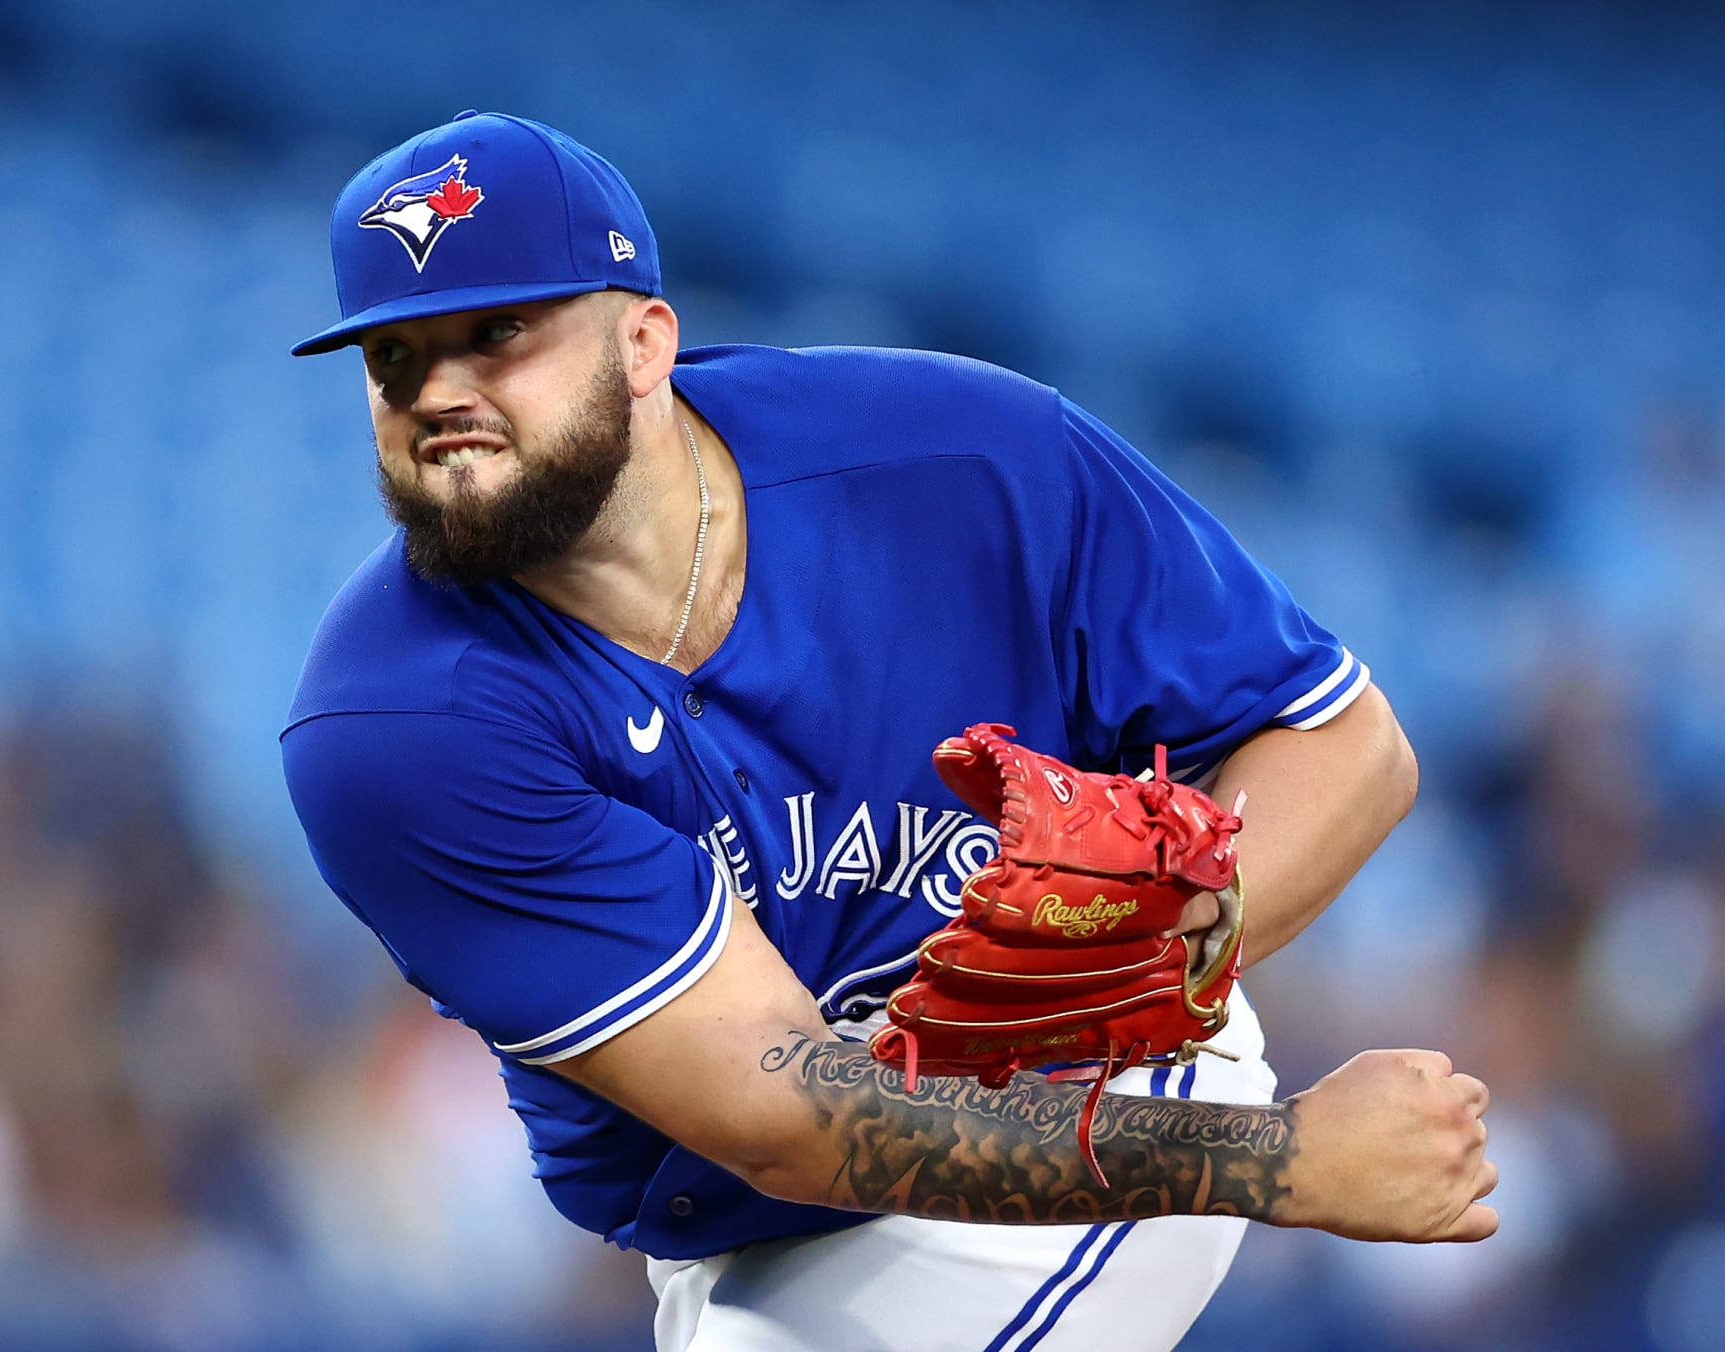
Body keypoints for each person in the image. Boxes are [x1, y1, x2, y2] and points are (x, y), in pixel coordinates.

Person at [282, 111, 1496, 1352]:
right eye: (395, 360)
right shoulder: (394, 722)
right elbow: (787, 1117)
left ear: (645, 340)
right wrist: (1282, 1160)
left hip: (1096, 1090)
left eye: (498, 333)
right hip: (772, 1232)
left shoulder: (958, 459)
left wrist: (1157, 962)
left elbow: (1347, 746)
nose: (440, 392)